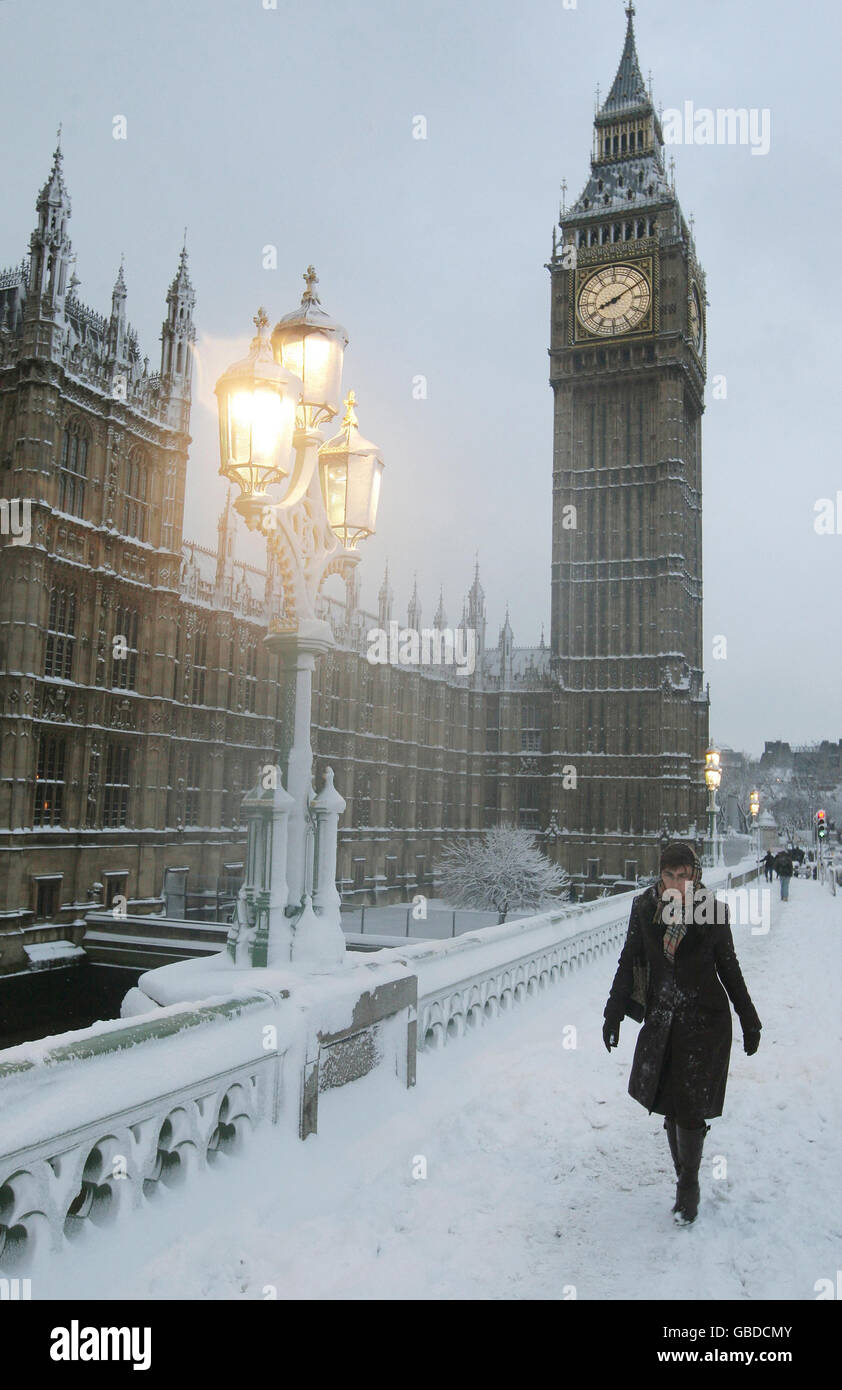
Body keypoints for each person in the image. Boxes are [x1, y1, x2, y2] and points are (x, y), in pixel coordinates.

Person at [602, 840, 762, 1225]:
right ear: (660, 875)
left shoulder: (711, 911)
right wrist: (613, 1012)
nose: (676, 884)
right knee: (670, 1102)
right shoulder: (643, 908)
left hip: (704, 1021)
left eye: (684, 876)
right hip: (662, 1018)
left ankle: (687, 1187)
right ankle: (684, 1174)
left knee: (689, 1105)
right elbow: (629, 959)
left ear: (696, 875)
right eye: (669, 875)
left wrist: (749, 1017)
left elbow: (730, 968)